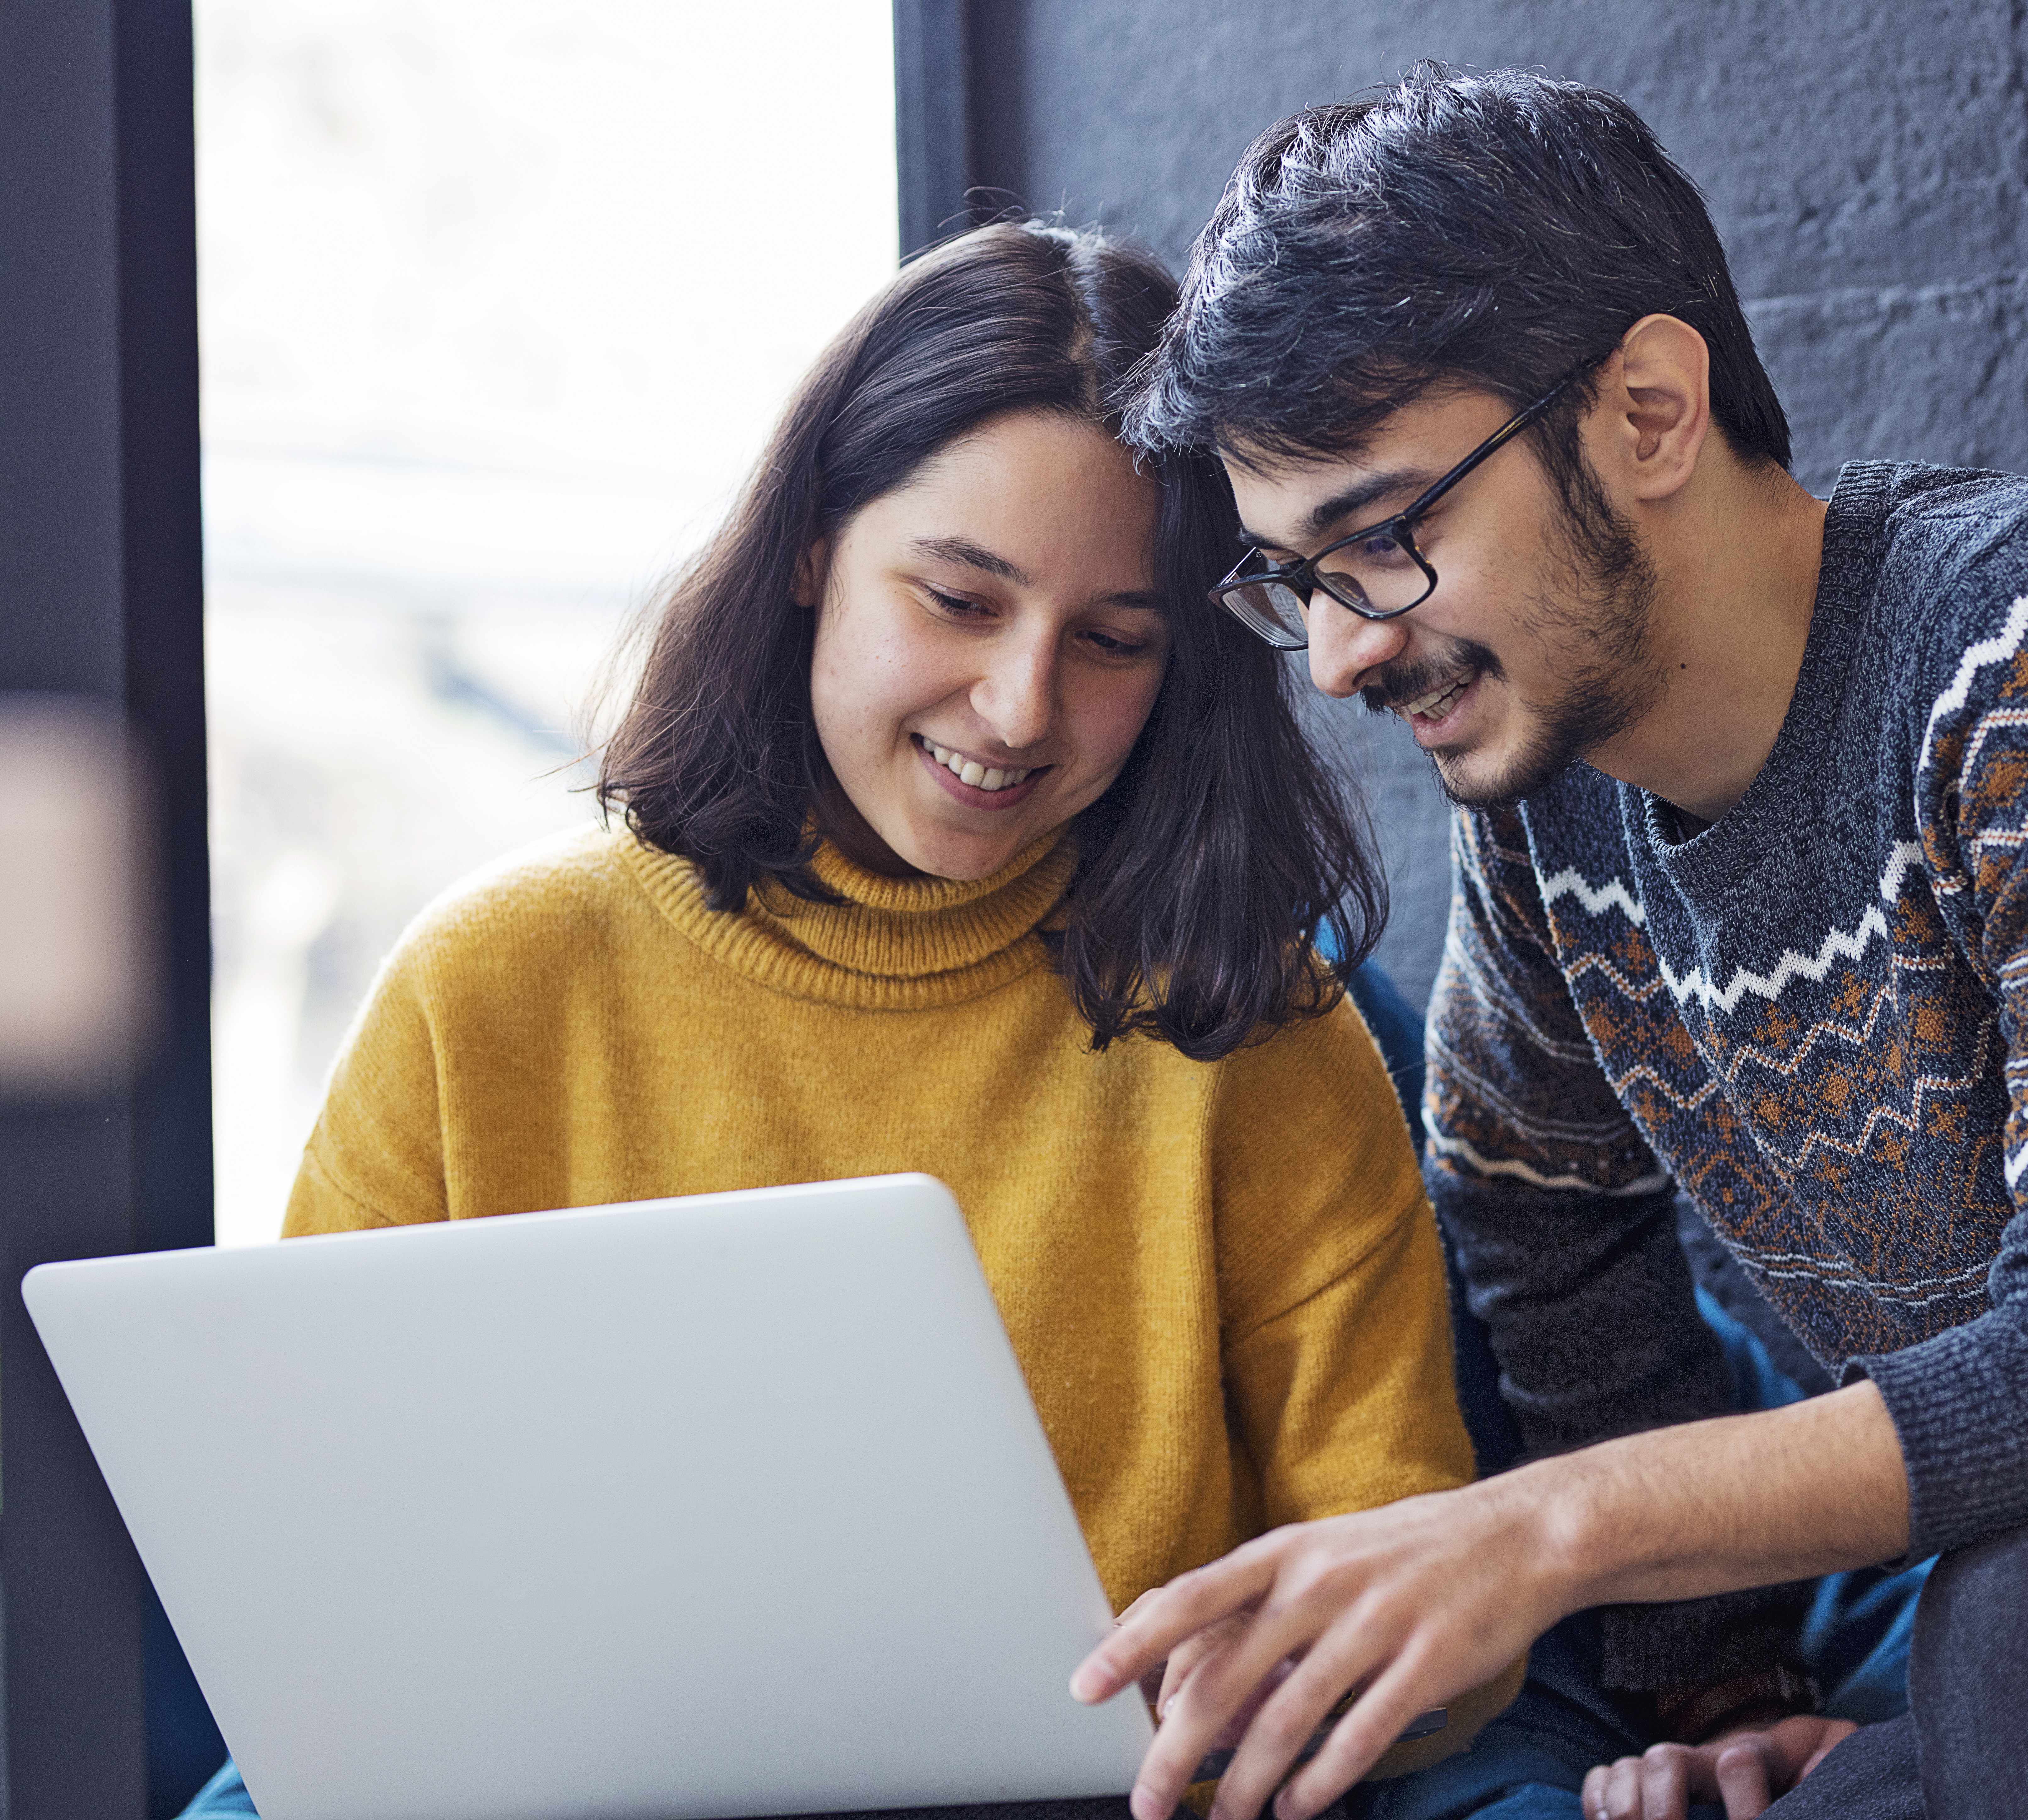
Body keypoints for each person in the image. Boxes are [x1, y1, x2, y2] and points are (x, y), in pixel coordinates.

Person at [1074, 67, 2028, 1820]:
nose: (1343, 657)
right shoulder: (1550, 811)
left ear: (1651, 412)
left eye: (1381, 540)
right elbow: (1540, 1221)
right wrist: (1727, 1683)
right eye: (1296, 579)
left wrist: (1549, 1530)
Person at [177, 221, 1524, 1820]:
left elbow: (1428, 1622)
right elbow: (324, 1583)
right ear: (812, 546)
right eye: (958, 599)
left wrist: (1277, 1677)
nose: (1019, 707)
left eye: (1112, 642)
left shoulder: (1251, 1023)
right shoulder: (486, 991)